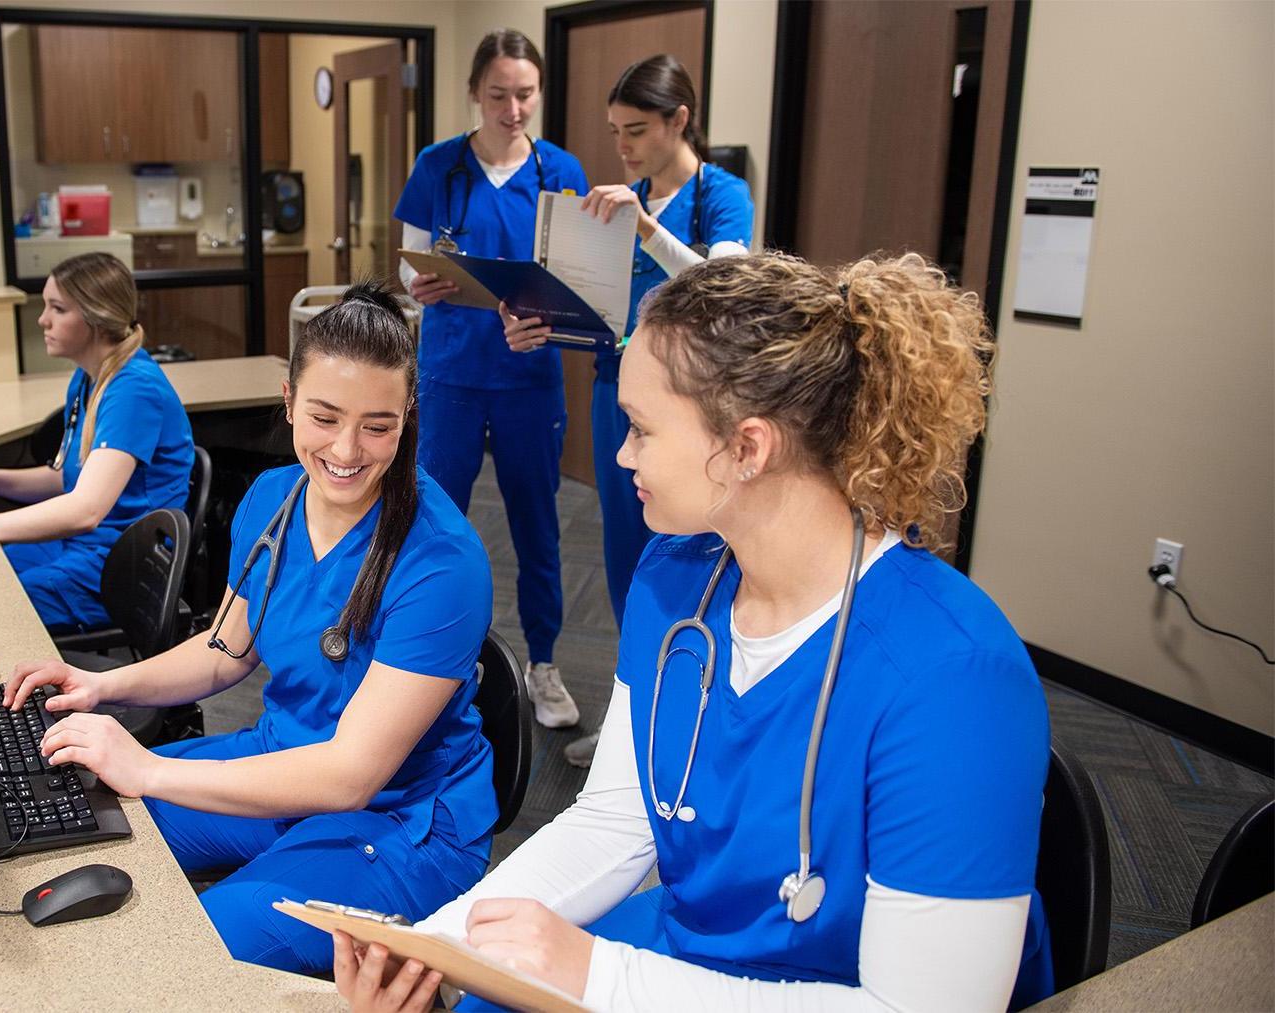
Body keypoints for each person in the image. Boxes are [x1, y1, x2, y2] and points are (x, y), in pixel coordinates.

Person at [334, 253, 1056, 1012]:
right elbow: (618, 817)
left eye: (641, 429)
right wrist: (438, 949)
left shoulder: (954, 675)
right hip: (687, 950)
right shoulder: (674, 578)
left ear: (747, 447)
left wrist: (598, 976)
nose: (620, 454)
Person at [3, 283, 497, 976]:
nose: (348, 449)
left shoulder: (442, 561)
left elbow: (349, 777)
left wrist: (149, 766)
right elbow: (222, 655)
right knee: (84, 825)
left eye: (378, 426)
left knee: (196, 954)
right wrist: (99, 684)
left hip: (401, 823)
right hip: (280, 757)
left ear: (409, 414)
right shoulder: (272, 499)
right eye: (324, 417)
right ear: (289, 398)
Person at [501, 54, 755, 768]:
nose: (622, 147)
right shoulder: (624, 201)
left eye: (636, 130)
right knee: (625, 557)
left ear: (680, 120)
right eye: (614, 132)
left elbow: (727, 285)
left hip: (696, 411)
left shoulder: (719, 197)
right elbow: (601, 310)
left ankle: (696, 722)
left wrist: (645, 227)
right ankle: (631, 723)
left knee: (691, 557)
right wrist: (541, 321)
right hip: (619, 394)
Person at [393, 28, 590, 732]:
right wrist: (418, 288)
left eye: (526, 94)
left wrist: (554, 317)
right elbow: (408, 264)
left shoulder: (560, 170)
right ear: (475, 91)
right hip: (450, 374)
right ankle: (432, 659)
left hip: (530, 379)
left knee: (537, 528)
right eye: (500, 94)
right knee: (432, 522)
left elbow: (580, 281)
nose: (513, 108)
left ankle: (543, 662)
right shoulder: (439, 166)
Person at [0, 252, 193, 633]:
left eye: (57, 309)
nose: (42, 320)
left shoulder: (133, 390)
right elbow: (65, 480)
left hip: (116, 564)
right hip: (81, 543)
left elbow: (84, 510)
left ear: (96, 317)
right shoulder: (90, 376)